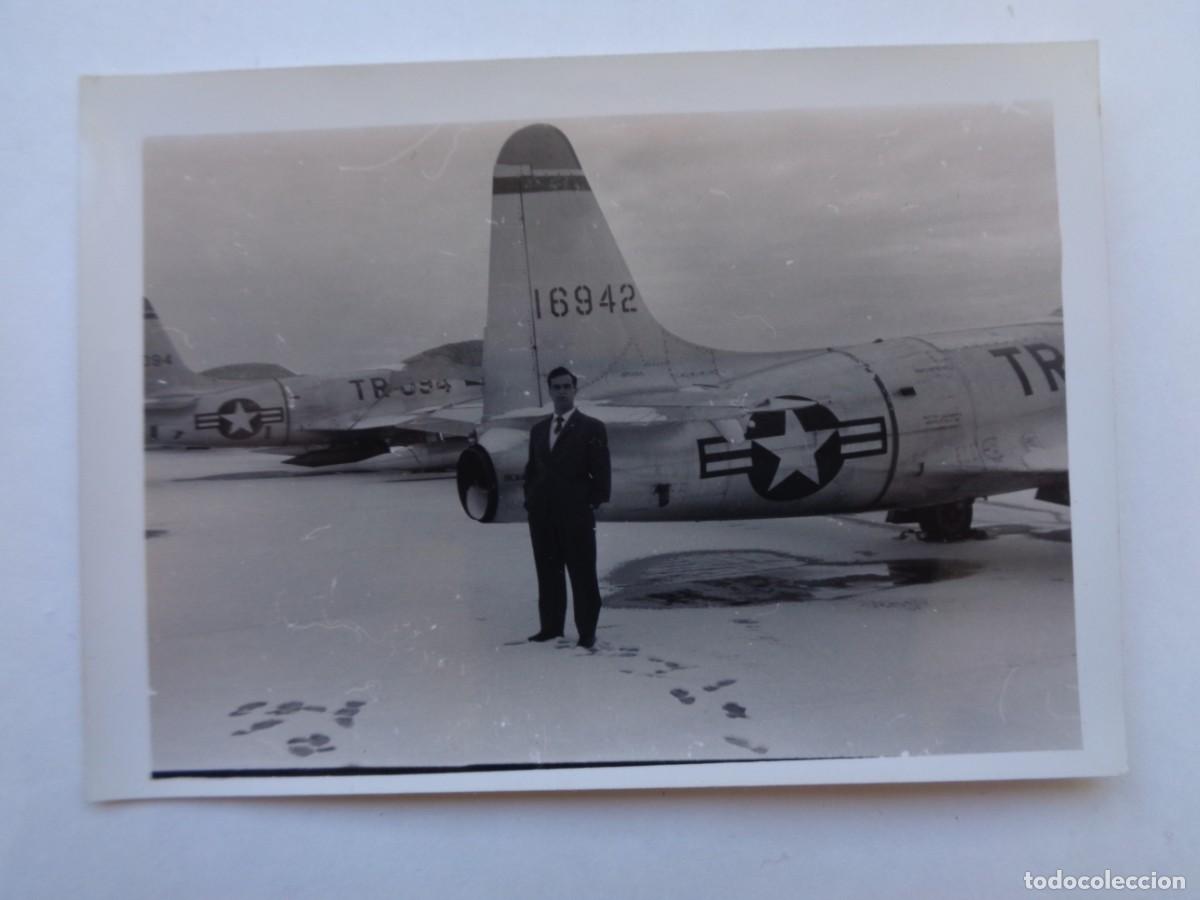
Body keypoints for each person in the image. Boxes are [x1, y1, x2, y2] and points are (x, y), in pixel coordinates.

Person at [523, 366, 611, 649]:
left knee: (582, 574)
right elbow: (532, 470)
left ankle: (586, 632)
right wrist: (531, 501)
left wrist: (589, 502)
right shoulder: (538, 430)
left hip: (576, 515)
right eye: (556, 387)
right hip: (542, 515)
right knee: (548, 573)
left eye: (566, 386)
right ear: (549, 391)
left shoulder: (592, 427)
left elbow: (602, 471)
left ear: (575, 389)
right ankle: (550, 628)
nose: (561, 392)